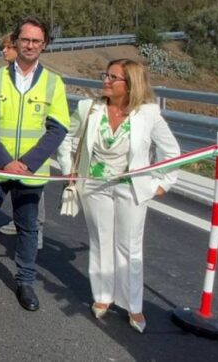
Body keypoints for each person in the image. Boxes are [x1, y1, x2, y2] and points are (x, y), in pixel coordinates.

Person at [0, 17, 69, 312]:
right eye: (25, 39)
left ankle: (25, 282)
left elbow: (57, 128)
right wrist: (5, 162)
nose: (30, 45)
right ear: (15, 41)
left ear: (43, 45)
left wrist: (27, 163)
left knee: (28, 228)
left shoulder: (53, 83)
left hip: (31, 172)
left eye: (36, 41)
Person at [59, 59, 179, 333]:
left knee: (129, 247)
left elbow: (170, 152)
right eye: (106, 75)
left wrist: (164, 183)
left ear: (131, 84)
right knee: (101, 242)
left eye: (113, 77)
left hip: (131, 187)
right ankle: (102, 297)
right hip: (95, 185)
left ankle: (133, 304)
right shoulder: (89, 108)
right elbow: (67, 138)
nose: (106, 81)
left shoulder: (148, 113)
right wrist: (70, 171)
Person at [0, 33, 47, 249]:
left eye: (8, 47)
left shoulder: (43, 80)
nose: (3, 51)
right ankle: (21, 223)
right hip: (4, 156)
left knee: (33, 198)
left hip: (31, 157)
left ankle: (37, 230)